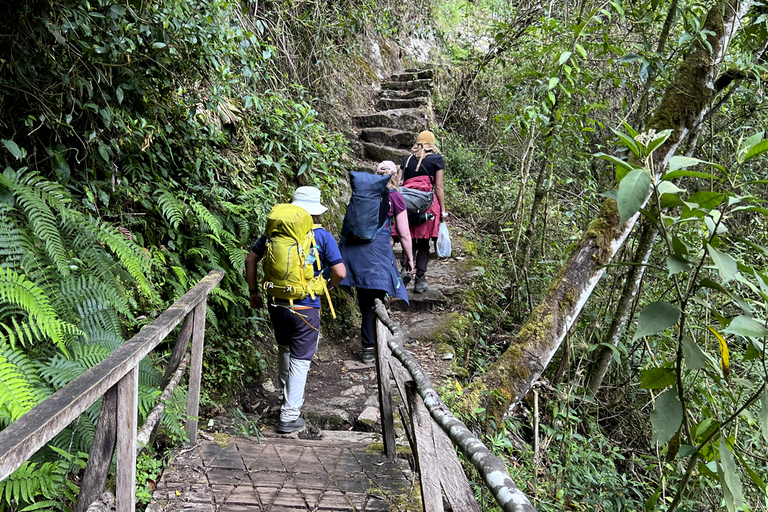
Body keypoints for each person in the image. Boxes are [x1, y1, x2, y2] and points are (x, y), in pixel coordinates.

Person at [245, 186, 346, 434]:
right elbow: (340, 272)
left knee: (285, 349)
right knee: (301, 359)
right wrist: (328, 285)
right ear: (316, 211)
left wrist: (254, 291)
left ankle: (285, 398)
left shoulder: (274, 232)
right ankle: (289, 416)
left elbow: (250, 260)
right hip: (305, 305)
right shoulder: (322, 236)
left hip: (276, 302)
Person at [339, 161, 414, 364]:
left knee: (365, 299)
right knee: (376, 298)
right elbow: (404, 234)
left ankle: (368, 348)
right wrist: (410, 258)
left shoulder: (362, 195)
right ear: (395, 176)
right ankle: (375, 346)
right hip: (377, 254)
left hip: (354, 252)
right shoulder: (395, 197)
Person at [397, 130, 447, 294]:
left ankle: (405, 270)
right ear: (432, 144)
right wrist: (443, 210)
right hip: (427, 206)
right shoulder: (437, 159)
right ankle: (420, 280)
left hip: (406, 205)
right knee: (424, 244)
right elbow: (438, 186)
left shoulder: (406, 160)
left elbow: (398, 183)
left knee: (408, 237)